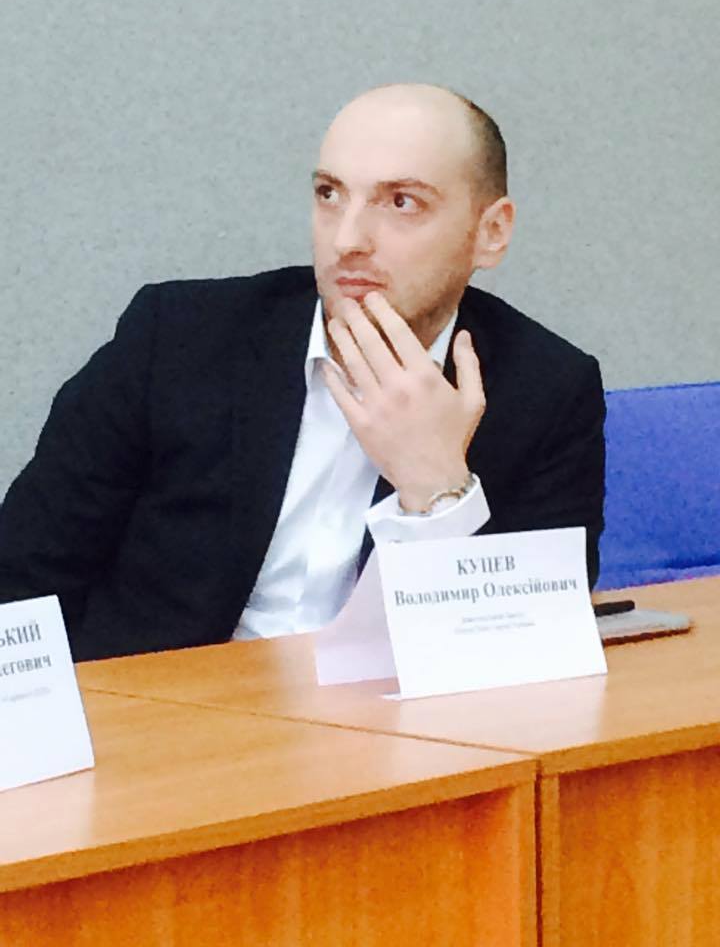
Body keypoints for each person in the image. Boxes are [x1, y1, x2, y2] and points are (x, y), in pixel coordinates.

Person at [0, 84, 605, 661]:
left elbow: (530, 649)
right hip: (161, 710)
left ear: (491, 232)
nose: (347, 239)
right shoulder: (178, 339)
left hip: (387, 725)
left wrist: (439, 491)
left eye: (402, 202)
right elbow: (23, 577)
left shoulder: (547, 389)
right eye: (329, 194)